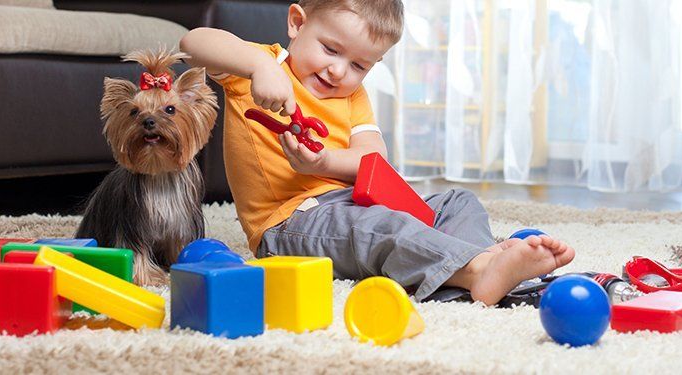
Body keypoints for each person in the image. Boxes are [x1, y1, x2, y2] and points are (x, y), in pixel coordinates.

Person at [179, 0, 575, 305]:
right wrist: (259, 67)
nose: (339, 72)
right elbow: (192, 42)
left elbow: (373, 159)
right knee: (382, 228)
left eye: (358, 65)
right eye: (331, 49)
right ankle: (479, 270)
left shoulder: (353, 96)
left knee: (457, 201)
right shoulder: (257, 66)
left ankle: (480, 255)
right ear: (297, 24)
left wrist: (324, 162)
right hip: (289, 224)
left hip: (357, 201)